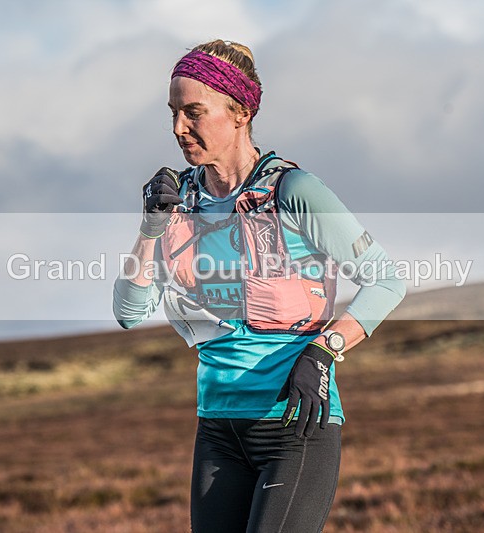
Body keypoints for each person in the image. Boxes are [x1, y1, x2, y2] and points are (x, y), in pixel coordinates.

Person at [113, 39, 405, 533]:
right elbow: (129, 311)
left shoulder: (294, 190)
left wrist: (324, 351)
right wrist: (150, 226)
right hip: (217, 429)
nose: (178, 128)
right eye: (173, 113)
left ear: (240, 112)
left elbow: (387, 281)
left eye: (193, 113)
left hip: (294, 426)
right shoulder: (177, 201)